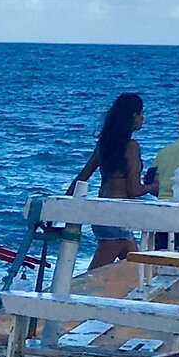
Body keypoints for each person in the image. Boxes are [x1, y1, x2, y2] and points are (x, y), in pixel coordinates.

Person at [69, 93, 147, 270]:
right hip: (117, 216)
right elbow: (134, 190)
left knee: (135, 268)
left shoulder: (105, 145)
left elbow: (81, 177)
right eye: (141, 113)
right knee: (95, 273)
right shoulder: (131, 147)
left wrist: (62, 207)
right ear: (133, 116)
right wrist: (155, 185)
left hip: (102, 211)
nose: (143, 118)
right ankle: (71, 295)